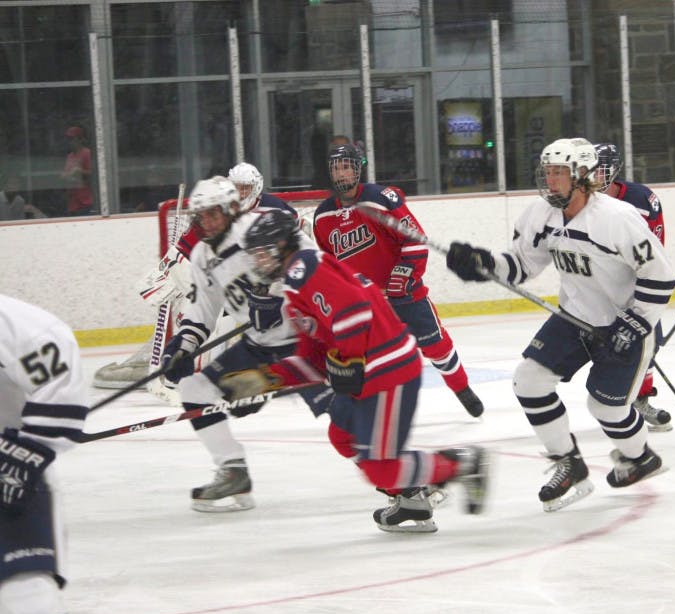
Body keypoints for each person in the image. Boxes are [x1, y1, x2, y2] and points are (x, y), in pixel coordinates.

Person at [219, 210, 491, 533]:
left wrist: (347, 360)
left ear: (281, 245)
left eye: (262, 253)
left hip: (388, 368)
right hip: (371, 370)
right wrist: (265, 379)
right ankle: (412, 501)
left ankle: (462, 463)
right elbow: (313, 358)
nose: (257, 262)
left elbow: (354, 311)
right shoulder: (294, 286)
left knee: (380, 469)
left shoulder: (305, 268)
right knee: (343, 436)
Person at [446, 137, 675, 512]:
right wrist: (484, 264)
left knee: (606, 409)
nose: (550, 180)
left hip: (624, 322)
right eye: (548, 172)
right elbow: (522, 264)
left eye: (559, 173)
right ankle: (568, 463)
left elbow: (661, 275)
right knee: (529, 381)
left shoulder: (617, 218)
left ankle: (641, 458)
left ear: (582, 175)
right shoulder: (541, 214)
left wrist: (635, 322)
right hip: (574, 317)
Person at [157, 176, 323, 512]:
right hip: (258, 346)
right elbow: (203, 308)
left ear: (232, 208)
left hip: (304, 343)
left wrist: (279, 297)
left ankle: (401, 477)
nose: (207, 222)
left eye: (213, 213)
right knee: (194, 389)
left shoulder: (262, 228)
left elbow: (313, 261)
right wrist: (183, 346)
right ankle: (233, 470)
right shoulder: (203, 255)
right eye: (201, 215)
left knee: (345, 413)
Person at [93, 162, 302, 393]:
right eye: (237, 187)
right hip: (236, 293)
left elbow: (298, 254)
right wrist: (166, 273)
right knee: (216, 321)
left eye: (246, 188)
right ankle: (199, 363)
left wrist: (277, 294)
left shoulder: (274, 212)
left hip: (279, 298)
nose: (242, 193)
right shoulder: (213, 224)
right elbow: (184, 256)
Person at [312, 144, 484, 418]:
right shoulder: (322, 216)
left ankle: (462, 389)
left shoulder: (380, 199)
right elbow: (329, 264)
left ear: (357, 170)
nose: (341, 173)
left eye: (346, 167)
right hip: (364, 302)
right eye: (336, 168)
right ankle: (371, 412)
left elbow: (415, 241)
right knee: (364, 360)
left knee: (436, 346)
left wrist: (404, 274)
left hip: (404, 295)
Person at [0, 295, 86, 614]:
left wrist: (28, 450)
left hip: (8, 472)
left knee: (28, 601)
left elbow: (55, 362)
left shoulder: (12, 323)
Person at [593, 142, 671, 432]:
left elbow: (656, 246)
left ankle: (640, 399)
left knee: (649, 341)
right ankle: (610, 399)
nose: (592, 176)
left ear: (613, 170)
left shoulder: (643, 199)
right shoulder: (583, 202)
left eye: (599, 170)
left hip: (635, 285)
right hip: (598, 286)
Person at [60, 126, 93, 216]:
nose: (69, 142)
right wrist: (64, 176)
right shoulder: (70, 156)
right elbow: (65, 174)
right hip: (72, 202)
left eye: (72, 139)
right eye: (68, 139)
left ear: (79, 139)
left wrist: (79, 171)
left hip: (85, 202)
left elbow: (95, 174)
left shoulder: (87, 153)